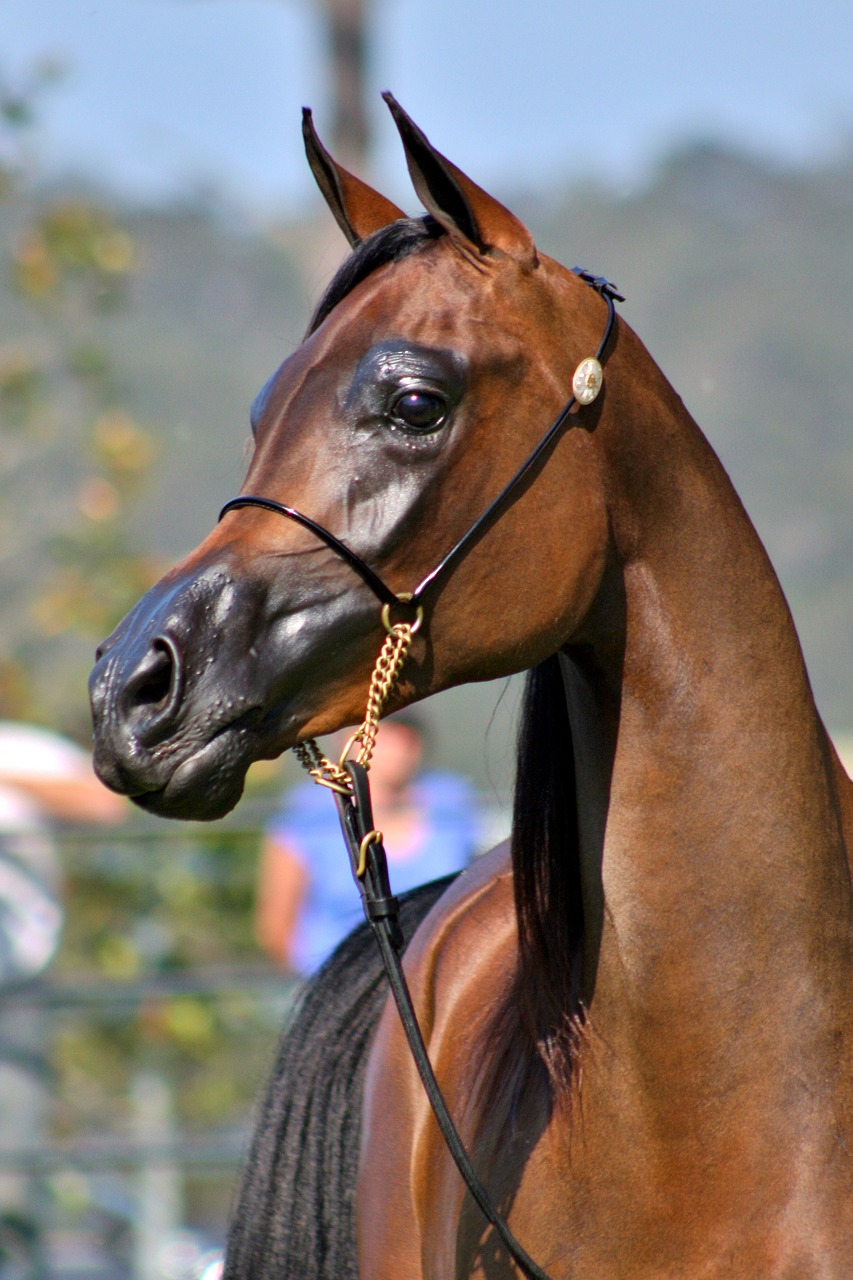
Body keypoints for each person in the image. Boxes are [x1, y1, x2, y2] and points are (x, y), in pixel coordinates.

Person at [255, 714, 483, 975]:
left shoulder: (451, 805)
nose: (400, 747)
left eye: (407, 735)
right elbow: (276, 927)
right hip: (339, 977)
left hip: (436, 974)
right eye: (386, 734)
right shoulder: (307, 816)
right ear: (347, 740)